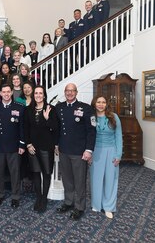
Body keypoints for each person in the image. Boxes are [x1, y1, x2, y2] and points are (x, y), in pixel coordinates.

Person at [55, 83, 96, 221]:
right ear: (64, 92)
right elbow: (57, 129)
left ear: (76, 92)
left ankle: (79, 207)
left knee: (79, 181)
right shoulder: (59, 108)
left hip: (79, 151)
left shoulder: (86, 108)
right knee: (67, 179)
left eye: (72, 91)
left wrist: (89, 150)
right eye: (67, 91)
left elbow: (91, 131)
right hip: (64, 150)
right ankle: (68, 202)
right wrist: (56, 145)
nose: (70, 93)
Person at [0, 84, 25, 208]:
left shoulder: (19, 107)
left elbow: (22, 128)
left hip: (14, 145)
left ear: (12, 92)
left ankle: (15, 196)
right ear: (0, 94)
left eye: (8, 92)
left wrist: (22, 144)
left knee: (15, 172)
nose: (6, 94)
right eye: (4, 92)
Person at [24, 86, 59, 213]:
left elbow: (55, 128)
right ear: (34, 95)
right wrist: (28, 144)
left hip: (46, 146)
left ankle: (44, 199)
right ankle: (38, 198)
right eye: (36, 93)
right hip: (33, 147)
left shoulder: (51, 109)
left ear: (44, 95)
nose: (38, 95)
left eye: (41, 93)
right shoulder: (28, 110)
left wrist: (47, 118)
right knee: (36, 173)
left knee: (46, 173)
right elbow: (25, 129)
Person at [90, 96, 122, 219]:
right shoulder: (91, 117)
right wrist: (89, 153)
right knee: (95, 179)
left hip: (111, 150)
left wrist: (118, 154)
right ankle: (97, 204)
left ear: (106, 104)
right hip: (96, 150)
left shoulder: (114, 117)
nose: (101, 104)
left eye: (103, 102)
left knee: (110, 178)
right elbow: (88, 135)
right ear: (94, 103)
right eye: (98, 102)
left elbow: (118, 136)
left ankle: (108, 206)